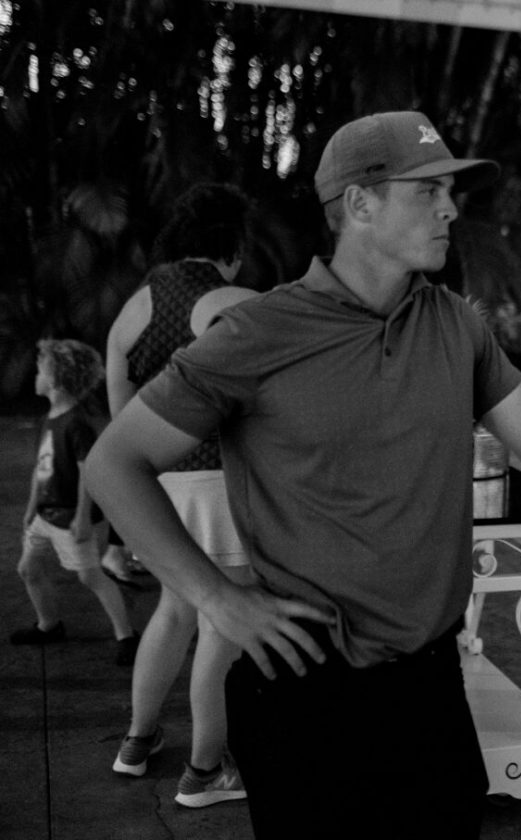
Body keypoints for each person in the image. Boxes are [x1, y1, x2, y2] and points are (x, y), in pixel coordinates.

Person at [83, 110, 521, 839]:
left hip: (429, 683)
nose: (451, 209)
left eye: (451, 191)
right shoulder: (259, 332)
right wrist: (216, 598)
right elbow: (112, 463)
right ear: (359, 204)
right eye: (429, 191)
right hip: (305, 685)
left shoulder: (455, 324)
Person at [105, 184, 258, 807]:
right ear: (233, 247)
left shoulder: (131, 310)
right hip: (223, 490)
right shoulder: (237, 302)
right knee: (224, 625)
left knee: (173, 612)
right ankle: (205, 771)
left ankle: (137, 744)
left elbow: (123, 426)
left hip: (159, 490)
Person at [11, 340, 139, 665]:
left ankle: (127, 635)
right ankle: (48, 625)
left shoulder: (76, 424)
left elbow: (87, 474)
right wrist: (30, 507)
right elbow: (41, 468)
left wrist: (83, 516)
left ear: (55, 379)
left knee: (90, 576)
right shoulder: (50, 418)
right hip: (45, 514)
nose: (35, 376)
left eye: (40, 370)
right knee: (28, 568)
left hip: (69, 517)